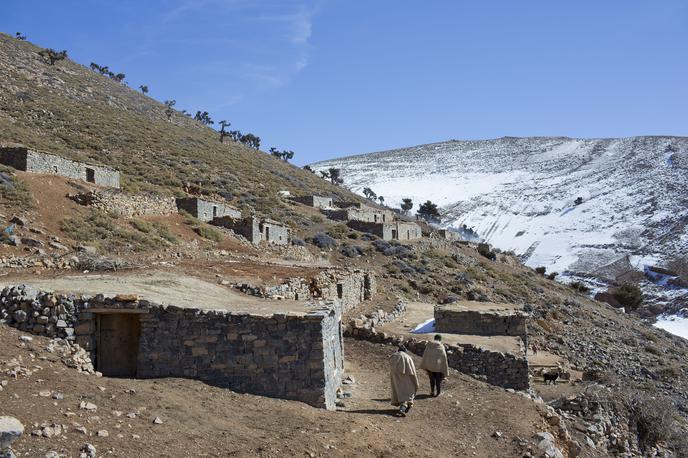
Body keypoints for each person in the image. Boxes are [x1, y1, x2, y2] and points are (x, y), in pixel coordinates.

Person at [389, 345, 419, 416]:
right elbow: (412, 370)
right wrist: (415, 381)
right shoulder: (407, 357)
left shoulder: (393, 356)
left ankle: (403, 405)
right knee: (408, 392)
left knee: (399, 391)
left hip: (395, 377)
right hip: (406, 377)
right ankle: (402, 408)